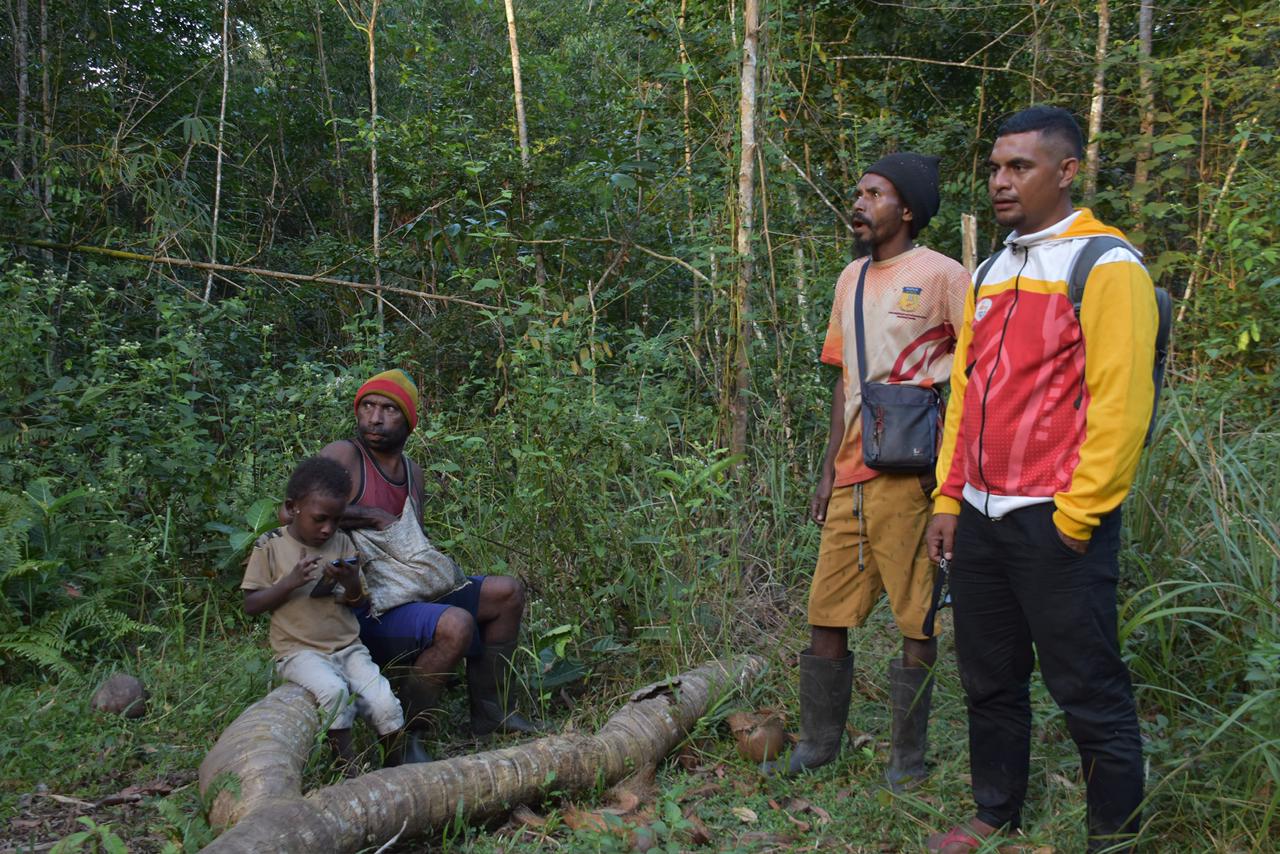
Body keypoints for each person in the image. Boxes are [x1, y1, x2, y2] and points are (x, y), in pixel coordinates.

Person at [925, 106, 1155, 853]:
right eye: (995, 167)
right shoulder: (990, 271)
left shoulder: (1106, 265)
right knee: (989, 680)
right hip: (980, 519)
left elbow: (1121, 406)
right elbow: (965, 394)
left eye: (1019, 167)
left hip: (1057, 519)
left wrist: (1077, 517)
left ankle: (1111, 837)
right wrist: (949, 496)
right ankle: (996, 811)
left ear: (1067, 171)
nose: (1000, 181)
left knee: (1088, 688)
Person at [767, 153, 968, 791]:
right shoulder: (850, 278)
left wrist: (952, 482)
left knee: (916, 617)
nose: (858, 203)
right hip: (852, 472)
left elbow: (975, 375)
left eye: (874, 193)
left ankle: (907, 758)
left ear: (906, 209)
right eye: (858, 192)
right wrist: (828, 469)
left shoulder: (944, 275)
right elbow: (844, 381)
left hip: (912, 477)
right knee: (825, 611)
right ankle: (818, 744)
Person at [319, 368, 541, 764]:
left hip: (405, 591)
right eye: (367, 406)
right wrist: (369, 515)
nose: (374, 418)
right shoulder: (345, 456)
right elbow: (295, 513)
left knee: (506, 592)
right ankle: (405, 736)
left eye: (388, 409)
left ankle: (491, 713)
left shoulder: (412, 472)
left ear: (409, 420)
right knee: (455, 624)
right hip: (363, 605)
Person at [242, 455, 418, 771]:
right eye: (320, 519)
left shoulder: (342, 543)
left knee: (385, 703)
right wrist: (290, 582)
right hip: (298, 652)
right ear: (292, 507)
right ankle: (345, 768)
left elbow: (360, 604)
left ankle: (397, 767)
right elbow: (251, 604)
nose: (327, 529)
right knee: (333, 692)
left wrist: (351, 583)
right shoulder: (270, 545)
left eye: (336, 520)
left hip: (348, 647)